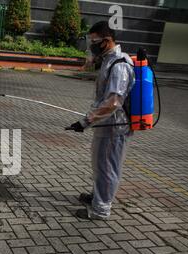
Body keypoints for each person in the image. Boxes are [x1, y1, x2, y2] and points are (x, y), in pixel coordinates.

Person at [68, 21, 135, 220]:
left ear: (107, 41)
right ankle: (98, 196)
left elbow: (113, 102)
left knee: (108, 168)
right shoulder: (107, 59)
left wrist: (86, 121)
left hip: (114, 127)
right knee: (100, 165)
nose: (91, 45)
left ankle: (101, 210)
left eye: (94, 41)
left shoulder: (120, 65)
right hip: (105, 124)